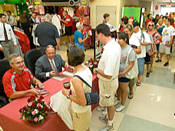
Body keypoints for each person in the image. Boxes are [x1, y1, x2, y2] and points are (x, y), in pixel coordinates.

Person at [93, 24, 121, 131]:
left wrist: (97, 70)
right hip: (109, 81)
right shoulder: (113, 45)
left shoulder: (111, 51)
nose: (97, 38)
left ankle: (110, 124)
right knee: (107, 101)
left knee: (110, 104)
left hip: (108, 82)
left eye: (97, 36)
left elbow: (108, 74)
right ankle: (107, 116)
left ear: (101, 34)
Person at [62, 45, 92, 131]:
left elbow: (82, 102)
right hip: (87, 109)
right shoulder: (86, 68)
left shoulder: (76, 79)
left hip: (80, 111)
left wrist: (67, 95)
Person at [116, 32, 136, 112]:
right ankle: (118, 99)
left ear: (125, 40)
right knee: (118, 88)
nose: (118, 40)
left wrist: (123, 73)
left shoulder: (130, 51)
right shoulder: (117, 48)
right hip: (117, 72)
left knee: (123, 88)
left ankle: (122, 104)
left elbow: (131, 64)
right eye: (117, 38)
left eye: (120, 39)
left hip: (124, 74)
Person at [131, 22, 151, 86]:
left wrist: (142, 43)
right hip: (132, 54)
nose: (132, 29)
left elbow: (149, 42)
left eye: (133, 27)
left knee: (140, 68)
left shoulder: (143, 34)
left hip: (140, 55)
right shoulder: (132, 33)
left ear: (137, 27)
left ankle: (139, 80)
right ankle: (132, 79)